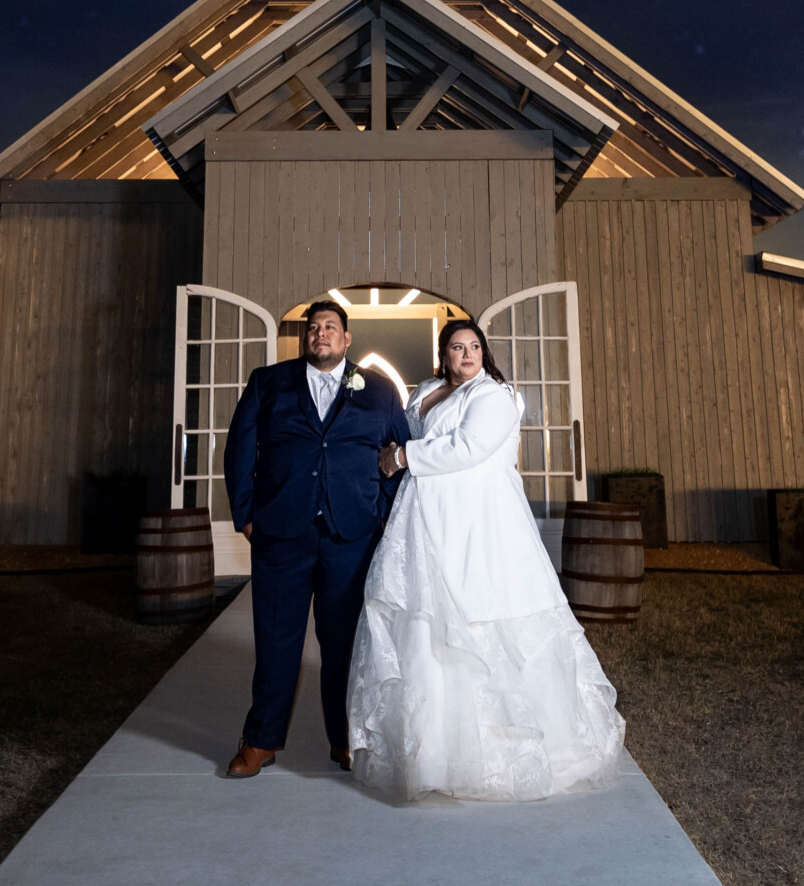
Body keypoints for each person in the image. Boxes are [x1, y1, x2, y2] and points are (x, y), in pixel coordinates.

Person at [347, 317, 627, 801]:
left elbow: (469, 447)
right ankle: (433, 750)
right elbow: (410, 427)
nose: (467, 354)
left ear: (484, 352)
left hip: (481, 523)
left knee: (484, 610)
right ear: (444, 354)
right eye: (457, 347)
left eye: (475, 346)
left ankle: (516, 746)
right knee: (425, 622)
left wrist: (405, 457)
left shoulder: (494, 397)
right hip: (427, 516)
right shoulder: (428, 391)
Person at [221, 299, 416, 778]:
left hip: (351, 538)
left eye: (331, 326)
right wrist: (247, 516)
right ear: (304, 338)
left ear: (347, 340)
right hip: (281, 535)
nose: (320, 333)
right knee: (274, 641)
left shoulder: (379, 390)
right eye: (313, 327)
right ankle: (261, 740)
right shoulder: (268, 383)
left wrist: (383, 515)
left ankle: (346, 739)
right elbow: (240, 448)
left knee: (346, 644)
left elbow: (398, 454)